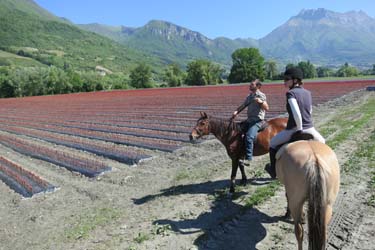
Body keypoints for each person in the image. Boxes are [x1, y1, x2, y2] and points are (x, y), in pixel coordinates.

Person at [265, 67, 325, 179]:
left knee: (272, 143)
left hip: (294, 128)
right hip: (310, 128)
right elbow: (310, 110)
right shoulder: (308, 93)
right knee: (323, 142)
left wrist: (299, 129)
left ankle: (273, 171)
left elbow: (296, 113)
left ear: (295, 80)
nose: (284, 81)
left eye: (287, 79)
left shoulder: (290, 93)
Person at [232, 79, 269, 165]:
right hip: (249, 120)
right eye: (250, 84)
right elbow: (243, 105)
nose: (250, 86)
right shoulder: (249, 96)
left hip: (257, 121)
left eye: (252, 84)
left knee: (249, 136)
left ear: (258, 86)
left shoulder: (261, 95)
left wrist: (261, 102)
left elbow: (266, 108)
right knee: (237, 132)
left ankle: (248, 158)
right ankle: (240, 153)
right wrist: (236, 112)